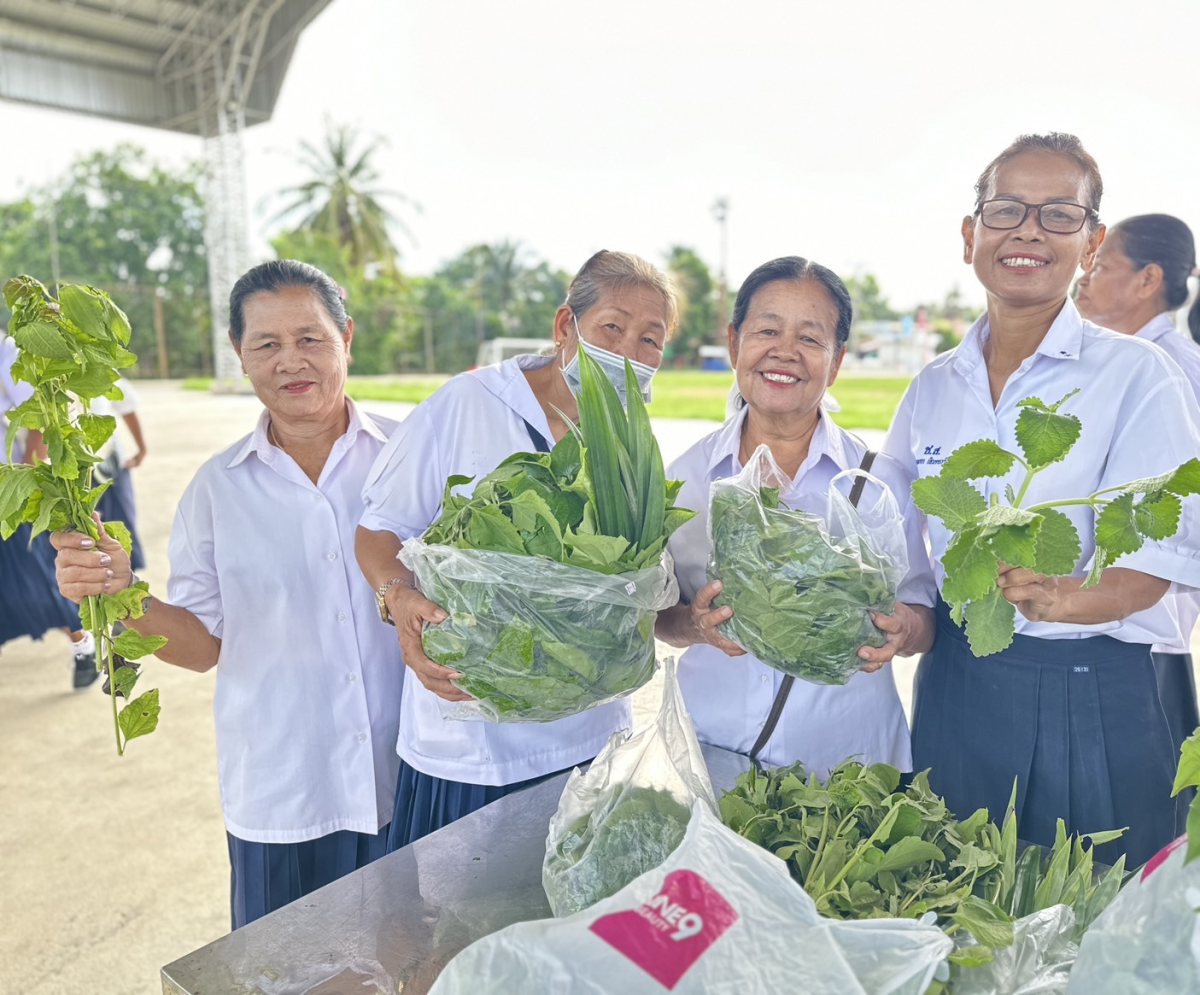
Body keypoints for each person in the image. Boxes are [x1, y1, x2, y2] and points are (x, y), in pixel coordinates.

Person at [51, 260, 404, 929]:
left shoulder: (413, 456)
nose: (291, 360)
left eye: (310, 338)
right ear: (239, 357)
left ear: (347, 337)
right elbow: (200, 646)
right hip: (287, 797)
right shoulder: (215, 491)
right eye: (266, 344)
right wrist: (121, 593)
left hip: (410, 779)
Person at [883, 133, 1200, 866]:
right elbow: (895, 530)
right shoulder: (934, 384)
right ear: (971, 237)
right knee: (959, 898)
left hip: (1094, 688)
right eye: (1006, 210)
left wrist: (1063, 597)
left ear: (1090, 246)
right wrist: (904, 618)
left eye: (1060, 214)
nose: (1028, 230)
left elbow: (1157, 557)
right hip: (960, 683)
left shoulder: (1138, 374)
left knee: (1093, 916)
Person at [355, 249, 676, 851]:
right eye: (612, 327)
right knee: (451, 929)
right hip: (472, 746)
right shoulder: (467, 404)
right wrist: (396, 597)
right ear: (564, 326)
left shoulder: (633, 440)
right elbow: (377, 529)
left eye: (650, 340)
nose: (629, 353)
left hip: (588, 741)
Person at [656, 256, 936, 775]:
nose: (784, 352)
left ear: (837, 361)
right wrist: (693, 625)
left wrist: (905, 630)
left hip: (847, 765)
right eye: (767, 330)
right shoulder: (685, 477)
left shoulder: (878, 481)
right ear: (735, 341)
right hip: (710, 750)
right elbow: (658, 617)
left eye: (810, 338)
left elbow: (922, 615)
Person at [1075, 214, 1200, 763]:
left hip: (1143, 639)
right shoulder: (1118, 363)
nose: (1083, 276)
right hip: (1099, 625)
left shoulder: (1171, 369)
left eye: (1100, 264)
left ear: (1148, 280)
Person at [0, 330, 97, 688]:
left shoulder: (5, 352)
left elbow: (42, 418)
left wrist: (27, 481)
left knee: (37, 581)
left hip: (6, 495)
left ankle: (83, 645)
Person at [92, 375, 148, 572]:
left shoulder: (101, 369)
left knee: (122, 525)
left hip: (111, 464)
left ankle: (127, 583)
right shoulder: (48, 375)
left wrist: (141, 449)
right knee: (83, 533)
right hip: (72, 470)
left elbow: (126, 406)